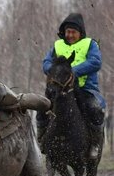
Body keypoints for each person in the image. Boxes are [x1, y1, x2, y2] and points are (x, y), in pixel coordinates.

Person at [39, 13, 105, 159]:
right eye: (68, 32)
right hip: (60, 89)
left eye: (73, 32)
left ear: (80, 33)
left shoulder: (90, 44)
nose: (69, 35)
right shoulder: (57, 46)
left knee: (95, 109)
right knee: (42, 107)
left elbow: (95, 62)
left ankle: (95, 144)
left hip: (85, 88)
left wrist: (71, 72)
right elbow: (46, 63)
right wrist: (55, 71)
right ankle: (42, 140)